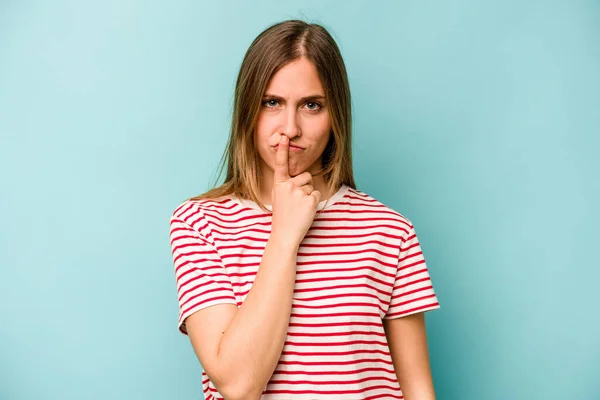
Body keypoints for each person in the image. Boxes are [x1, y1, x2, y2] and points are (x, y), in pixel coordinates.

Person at [169, 19, 441, 400]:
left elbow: (417, 389)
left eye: (312, 105)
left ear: (336, 116)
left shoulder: (390, 231)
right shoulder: (198, 223)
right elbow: (238, 384)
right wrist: (284, 234)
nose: (290, 128)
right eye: (272, 103)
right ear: (248, 110)